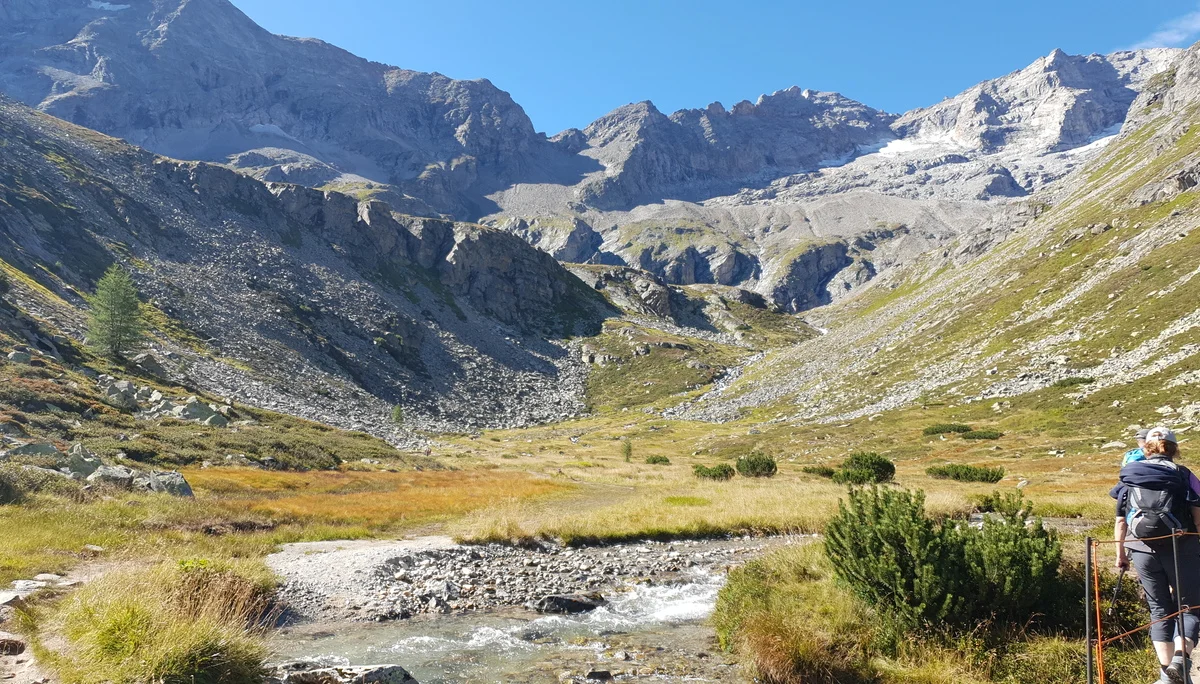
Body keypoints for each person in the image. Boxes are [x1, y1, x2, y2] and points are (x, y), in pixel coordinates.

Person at [1113, 427, 1200, 683]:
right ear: (1173, 449)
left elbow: (1121, 521)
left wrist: (1121, 554)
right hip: (1180, 546)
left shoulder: (1129, 476)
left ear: (1146, 448)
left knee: (1158, 609)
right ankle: (1181, 660)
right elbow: (1198, 513)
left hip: (1141, 549)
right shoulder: (1184, 475)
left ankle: (1167, 677)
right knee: (1189, 606)